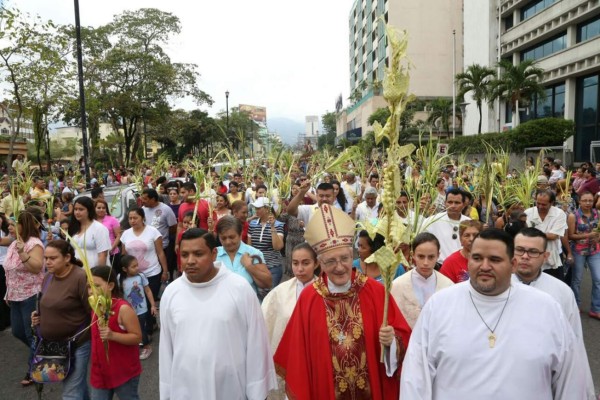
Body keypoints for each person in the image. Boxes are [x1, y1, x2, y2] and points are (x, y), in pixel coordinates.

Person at [400, 228, 586, 399]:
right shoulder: (439, 305)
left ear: (513, 264)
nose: (485, 266)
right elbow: (416, 377)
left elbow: (570, 381)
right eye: (477, 258)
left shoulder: (547, 309)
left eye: (495, 260)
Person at [274, 204, 412, 399]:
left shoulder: (375, 291)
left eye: (345, 259)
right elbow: (297, 355)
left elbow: (404, 338)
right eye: (330, 261)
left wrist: (392, 343)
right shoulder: (309, 298)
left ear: (352, 256)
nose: (340, 267)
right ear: (319, 263)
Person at [159, 228, 277, 399]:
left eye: (198, 254)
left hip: (231, 387)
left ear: (214, 254)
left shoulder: (239, 288)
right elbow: (166, 347)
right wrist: (167, 391)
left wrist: (257, 391)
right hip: (186, 387)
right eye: (185, 255)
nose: (190, 261)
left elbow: (256, 342)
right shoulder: (171, 293)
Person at [512, 228, 595, 398]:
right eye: (520, 250)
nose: (525, 256)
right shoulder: (497, 288)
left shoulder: (561, 292)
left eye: (533, 252)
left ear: (545, 256)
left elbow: (574, 342)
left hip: (543, 374)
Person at [31, 240, 91, 398]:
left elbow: (93, 312)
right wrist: (38, 316)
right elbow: (48, 303)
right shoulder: (48, 277)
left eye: (53, 258)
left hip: (76, 345)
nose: (47, 262)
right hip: (52, 346)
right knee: (77, 387)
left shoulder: (80, 277)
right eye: (46, 258)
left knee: (71, 392)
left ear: (67, 258)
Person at [261, 243, 320, 399]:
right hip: (287, 358)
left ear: (316, 263)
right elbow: (266, 325)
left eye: (305, 263)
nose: (300, 269)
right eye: (295, 263)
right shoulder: (279, 293)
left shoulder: (325, 292)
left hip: (316, 360)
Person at [3, 212, 44, 386]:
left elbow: (36, 268)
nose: (9, 228)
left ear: (23, 225)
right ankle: (43, 352)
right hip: (15, 295)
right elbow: (9, 270)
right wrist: (8, 292)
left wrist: (23, 253)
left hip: (31, 294)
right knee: (17, 331)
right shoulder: (13, 244)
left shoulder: (34, 244)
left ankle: (33, 370)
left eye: (12, 225)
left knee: (31, 333)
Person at [90, 266, 142, 400]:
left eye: (96, 285)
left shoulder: (122, 308)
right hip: (100, 371)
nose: (92, 291)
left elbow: (137, 337)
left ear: (111, 285)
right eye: (89, 286)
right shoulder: (94, 306)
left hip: (122, 371)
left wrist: (113, 335)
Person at [120, 208, 168, 336]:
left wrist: (165, 270)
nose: (132, 221)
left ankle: (148, 329)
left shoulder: (153, 232)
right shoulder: (126, 234)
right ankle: (147, 325)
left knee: (147, 301)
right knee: (138, 302)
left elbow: (160, 252)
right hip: (132, 275)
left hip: (152, 272)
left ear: (142, 217)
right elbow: (124, 255)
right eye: (130, 218)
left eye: (135, 218)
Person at [391, 232, 453, 328]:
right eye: (421, 256)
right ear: (413, 255)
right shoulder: (397, 285)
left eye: (431, 257)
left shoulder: (448, 286)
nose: (425, 263)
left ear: (438, 255)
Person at [215, 216, 272, 295]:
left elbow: (268, 283)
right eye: (223, 238)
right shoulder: (214, 255)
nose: (228, 242)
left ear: (240, 234)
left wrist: (249, 266)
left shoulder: (253, 253)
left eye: (232, 237)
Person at [567, 191, 600, 319]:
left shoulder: (597, 214)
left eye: (590, 201)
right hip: (578, 251)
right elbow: (570, 235)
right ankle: (575, 305)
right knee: (577, 280)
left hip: (594, 251)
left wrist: (598, 238)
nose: (587, 203)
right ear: (579, 201)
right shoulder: (573, 216)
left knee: (598, 279)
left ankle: (596, 308)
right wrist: (588, 235)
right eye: (585, 200)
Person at [524, 189, 570, 280]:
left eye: (544, 204)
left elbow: (553, 236)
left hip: (553, 254)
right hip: (532, 255)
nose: (540, 206)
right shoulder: (528, 213)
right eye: (538, 203)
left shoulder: (559, 214)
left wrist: (532, 234)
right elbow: (524, 234)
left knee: (555, 286)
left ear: (552, 203)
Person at [119, 255, 157, 361]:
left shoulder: (140, 276)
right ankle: (135, 345)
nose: (137, 268)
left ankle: (146, 347)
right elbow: (119, 294)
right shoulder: (119, 278)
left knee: (140, 329)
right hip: (128, 311)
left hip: (141, 310)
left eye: (137, 265)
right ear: (124, 269)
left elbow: (148, 291)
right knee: (128, 329)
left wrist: (153, 305)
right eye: (133, 266)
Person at [425, 188, 471, 264]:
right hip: (440, 266)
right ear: (445, 203)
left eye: (457, 203)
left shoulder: (469, 222)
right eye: (450, 202)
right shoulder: (433, 220)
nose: (453, 206)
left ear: (463, 205)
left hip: (463, 266)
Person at [248, 197, 284, 290]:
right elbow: (249, 247)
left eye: (259, 208)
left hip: (273, 267)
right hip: (257, 266)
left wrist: (272, 227)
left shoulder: (278, 224)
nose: (256, 210)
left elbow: (278, 246)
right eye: (255, 208)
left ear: (267, 209)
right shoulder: (252, 224)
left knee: (269, 297)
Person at [68, 197, 111, 268]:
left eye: (81, 209)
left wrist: (98, 276)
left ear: (89, 210)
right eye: (75, 209)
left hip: (94, 273)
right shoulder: (73, 228)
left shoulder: (99, 229)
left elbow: (103, 255)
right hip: (78, 273)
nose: (77, 212)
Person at [95, 199, 122, 273]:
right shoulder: (92, 221)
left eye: (103, 208)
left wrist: (111, 248)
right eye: (98, 208)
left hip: (113, 254)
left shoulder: (112, 219)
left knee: (113, 274)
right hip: (97, 254)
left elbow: (118, 236)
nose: (101, 210)